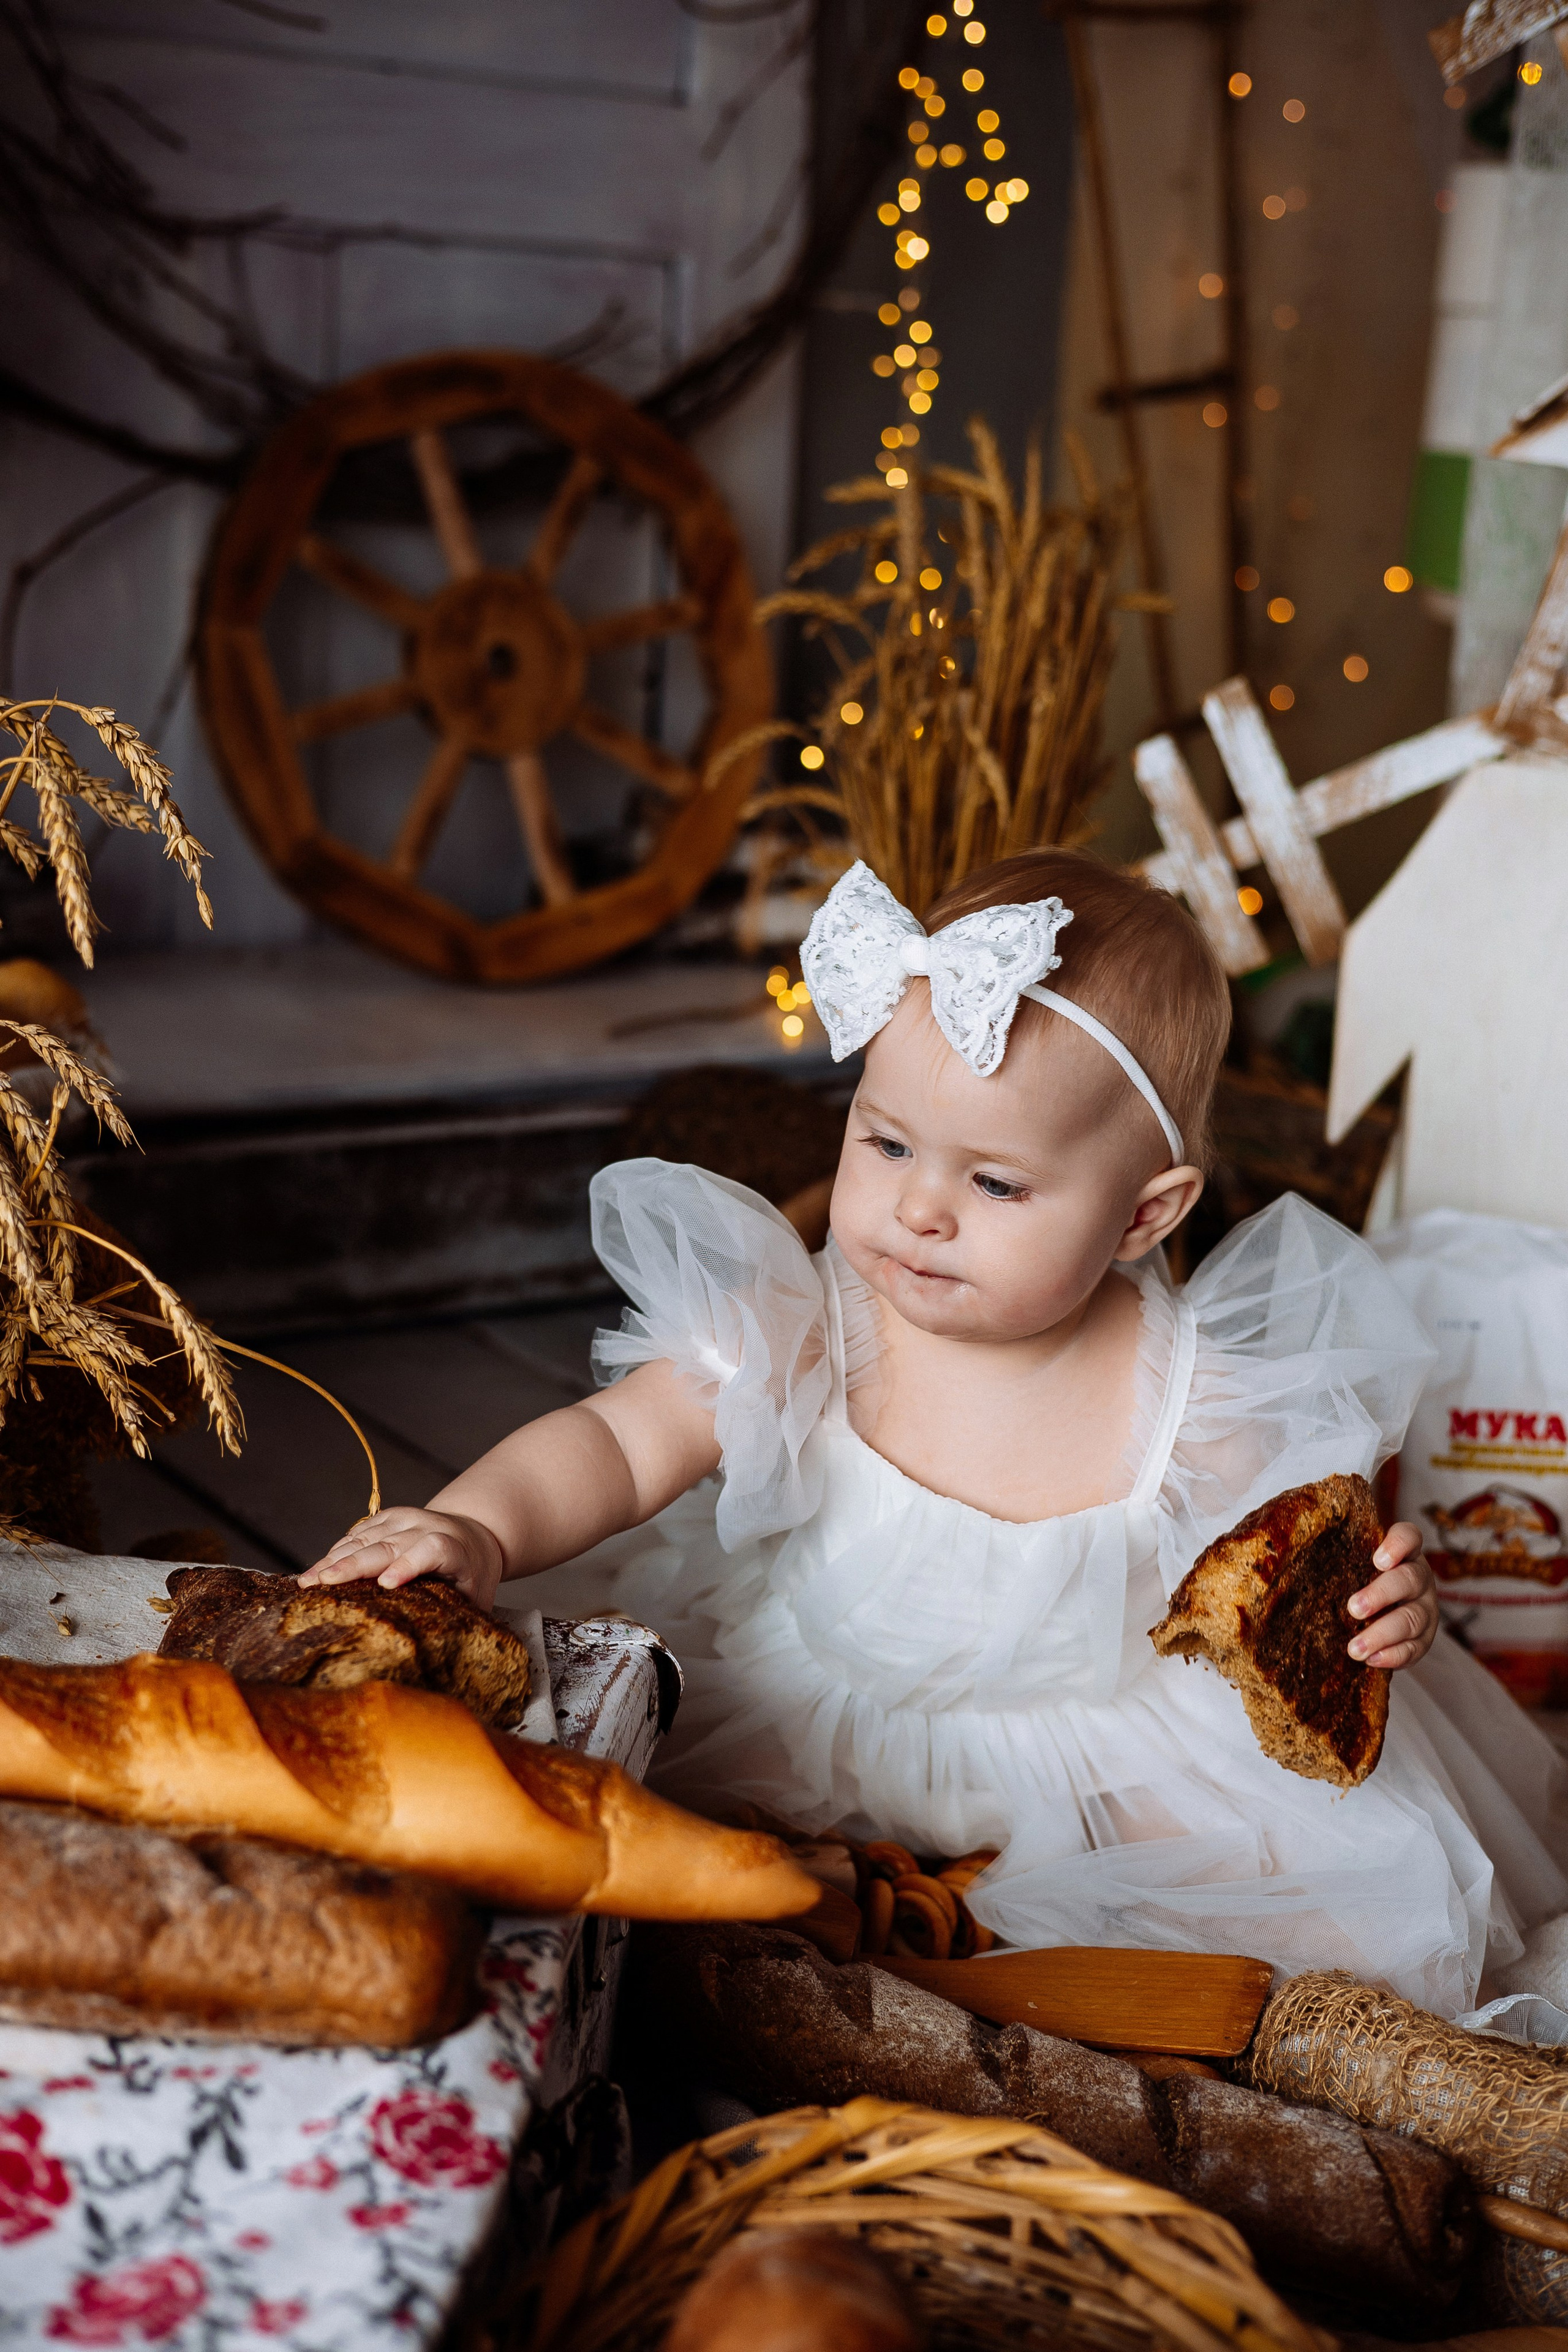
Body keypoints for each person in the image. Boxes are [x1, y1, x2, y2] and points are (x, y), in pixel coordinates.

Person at [301, 850, 1568, 2016]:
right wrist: (474, 1524)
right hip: (808, 1708)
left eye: (994, 1182)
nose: (916, 1210)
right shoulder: (812, 1319)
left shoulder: (1196, 1390)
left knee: (1315, 1930)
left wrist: (1376, 1612)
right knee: (609, 1835)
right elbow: (619, 1446)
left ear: (1142, 1214)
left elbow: (1299, 1574)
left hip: (1089, 1758)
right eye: (885, 1140)